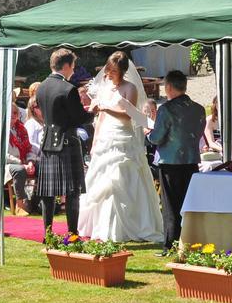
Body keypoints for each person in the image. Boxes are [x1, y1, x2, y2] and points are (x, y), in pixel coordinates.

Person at [78, 52, 163, 242]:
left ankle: (126, 225)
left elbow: (129, 115)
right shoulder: (106, 87)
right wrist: (95, 141)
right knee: (99, 179)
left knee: (120, 180)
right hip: (106, 138)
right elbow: (100, 118)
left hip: (123, 137)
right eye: (109, 69)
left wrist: (106, 109)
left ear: (123, 71)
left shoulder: (130, 88)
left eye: (114, 71)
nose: (110, 73)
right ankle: (97, 225)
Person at [35, 48, 95, 236]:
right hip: (66, 142)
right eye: (73, 66)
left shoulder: (41, 87)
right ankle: (72, 233)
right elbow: (79, 119)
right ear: (67, 65)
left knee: (48, 192)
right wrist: (92, 111)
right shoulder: (69, 89)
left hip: (47, 142)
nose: (74, 70)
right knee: (72, 191)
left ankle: (48, 233)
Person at [147, 69, 205, 254]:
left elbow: (157, 138)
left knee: (171, 205)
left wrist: (148, 135)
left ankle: (170, 245)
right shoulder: (199, 108)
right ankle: (190, 240)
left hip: (171, 162)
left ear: (169, 87)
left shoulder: (166, 109)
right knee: (189, 203)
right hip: (191, 161)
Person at [0, 109, 38, 216]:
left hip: (23, 163)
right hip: (2, 165)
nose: (13, 115)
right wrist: (21, 163)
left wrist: (31, 161)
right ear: (1, 115)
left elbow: (29, 149)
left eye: (15, 112)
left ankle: (38, 202)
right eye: (9, 112)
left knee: (41, 166)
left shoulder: (21, 129)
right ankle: (20, 204)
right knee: (19, 169)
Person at [201, 96, 232, 166]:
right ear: (215, 104)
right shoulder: (209, 120)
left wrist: (231, 150)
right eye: (220, 103)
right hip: (217, 149)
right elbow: (211, 143)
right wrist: (223, 150)